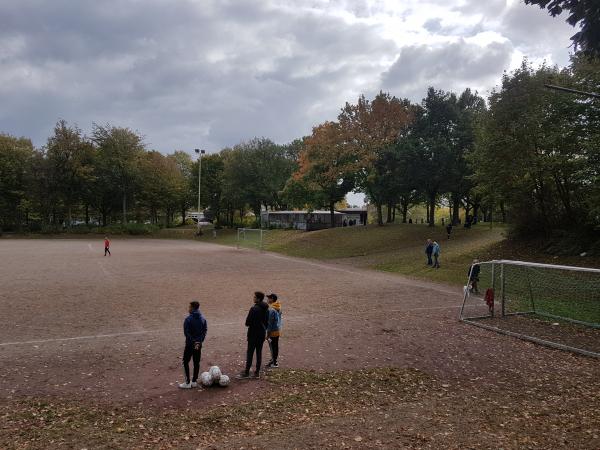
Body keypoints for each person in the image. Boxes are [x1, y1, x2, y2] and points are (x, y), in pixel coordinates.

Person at [238, 291, 269, 379]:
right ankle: (257, 373)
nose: (253, 298)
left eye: (254, 297)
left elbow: (247, 323)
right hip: (261, 334)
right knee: (259, 353)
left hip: (253, 334)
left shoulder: (254, 309)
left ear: (258, 299)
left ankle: (247, 372)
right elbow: (267, 322)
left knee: (250, 353)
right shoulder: (266, 308)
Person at [179, 301, 207, 389]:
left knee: (185, 362)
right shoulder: (203, 318)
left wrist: (193, 341)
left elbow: (186, 333)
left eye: (189, 307)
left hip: (190, 345)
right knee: (196, 362)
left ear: (193, 308)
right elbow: (205, 330)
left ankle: (187, 382)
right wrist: (199, 341)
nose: (189, 309)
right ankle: (194, 381)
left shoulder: (188, 319)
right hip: (198, 344)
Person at [266, 293, 282, 368]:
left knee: (273, 347)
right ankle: (273, 359)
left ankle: (274, 362)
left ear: (272, 299)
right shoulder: (278, 307)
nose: (267, 299)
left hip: (272, 332)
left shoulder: (271, 310)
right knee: (275, 346)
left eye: (268, 298)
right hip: (277, 330)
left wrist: (268, 334)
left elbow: (270, 323)